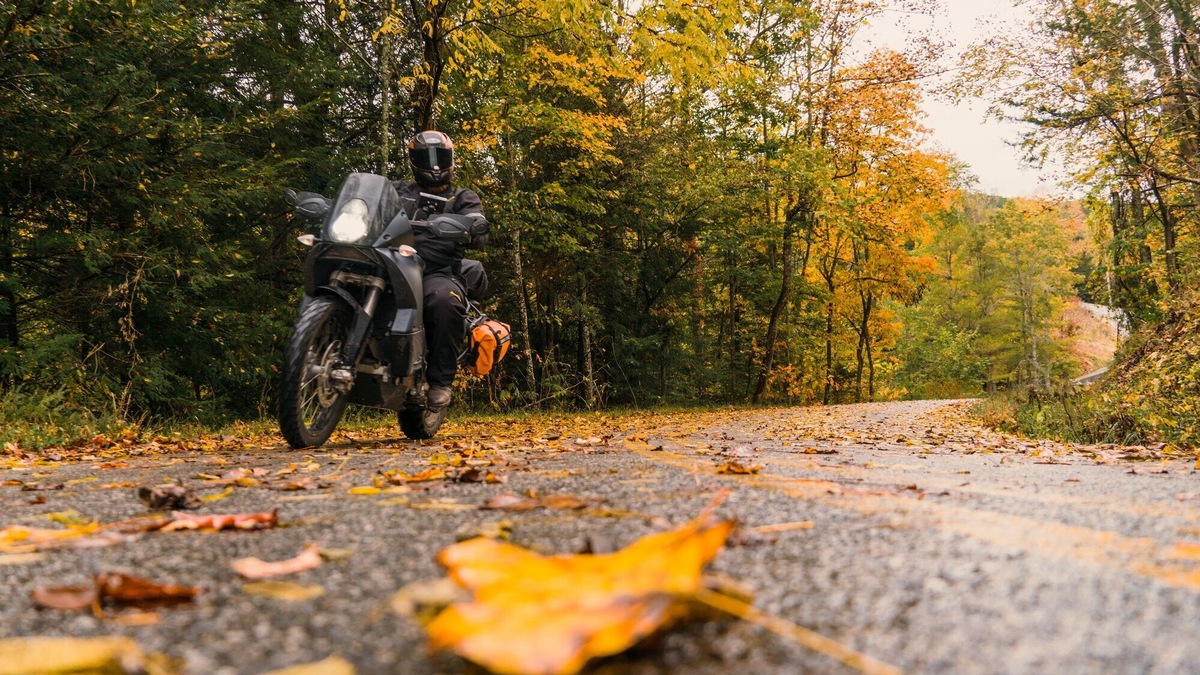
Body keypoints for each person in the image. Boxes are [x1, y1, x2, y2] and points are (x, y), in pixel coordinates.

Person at [392, 130, 488, 412]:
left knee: (446, 301)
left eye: (441, 157)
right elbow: (367, 203)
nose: (434, 165)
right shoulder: (396, 189)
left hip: (436, 272)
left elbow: (478, 226)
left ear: (451, 160)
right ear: (413, 160)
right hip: (390, 263)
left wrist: (471, 226)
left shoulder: (462, 196)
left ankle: (440, 382)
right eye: (426, 157)